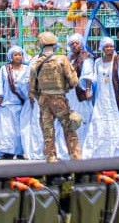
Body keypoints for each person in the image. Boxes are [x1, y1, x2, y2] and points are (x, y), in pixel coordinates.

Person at [28, 32, 82, 162]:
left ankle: (50, 156)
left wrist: (41, 97)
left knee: (48, 130)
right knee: (69, 126)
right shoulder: (62, 59)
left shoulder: (35, 62)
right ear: (54, 44)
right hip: (59, 98)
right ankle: (74, 155)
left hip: (43, 99)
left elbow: (32, 88)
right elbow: (74, 81)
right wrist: (66, 88)